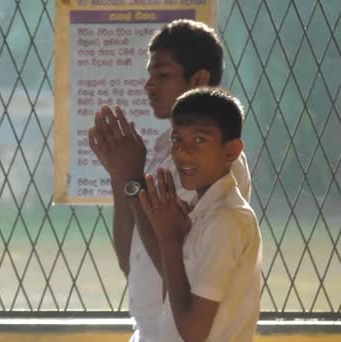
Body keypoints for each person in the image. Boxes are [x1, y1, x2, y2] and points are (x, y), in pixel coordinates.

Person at [88, 19, 252, 341]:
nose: (148, 86)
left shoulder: (216, 166)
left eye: (162, 75)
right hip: (150, 329)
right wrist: (121, 177)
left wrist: (133, 179)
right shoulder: (165, 151)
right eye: (149, 75)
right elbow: (131, 263)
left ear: (199, 79)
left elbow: (177, 273)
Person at [137, 88, 261, 341]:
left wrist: (169, 240)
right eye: (177, 139)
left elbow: (194, 334)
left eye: (200, 140)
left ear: (231, 151)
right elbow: (173, 302)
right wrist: (174, 237)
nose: (183, 152)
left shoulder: (227, 220)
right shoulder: (199, 213)